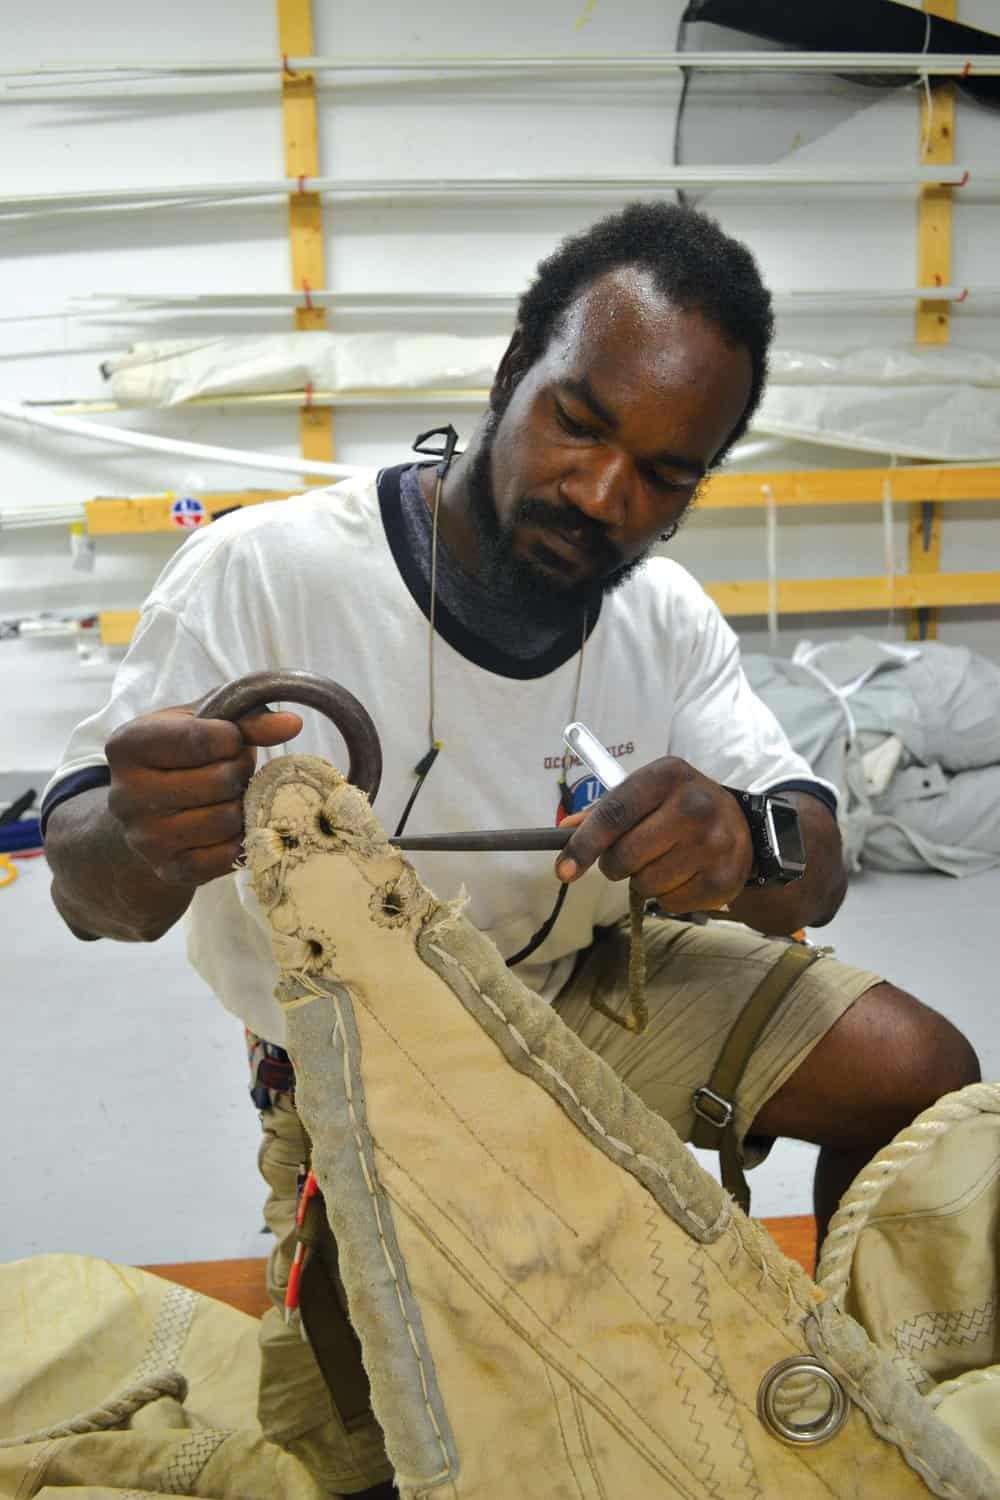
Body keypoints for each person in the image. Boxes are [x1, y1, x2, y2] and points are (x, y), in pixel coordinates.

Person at [42, 202, 980, 1498]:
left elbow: (808, 852)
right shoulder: (264, 576)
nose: (604, 494)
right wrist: (136, 837)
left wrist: (738, 836)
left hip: (589, 998)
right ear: (509, 378)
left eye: (665, 473)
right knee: (411, 1444)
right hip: (365, 1066)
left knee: (920, 1067)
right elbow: (97, 894)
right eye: (580, 423)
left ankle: (841, 1404)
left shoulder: (661, 619)